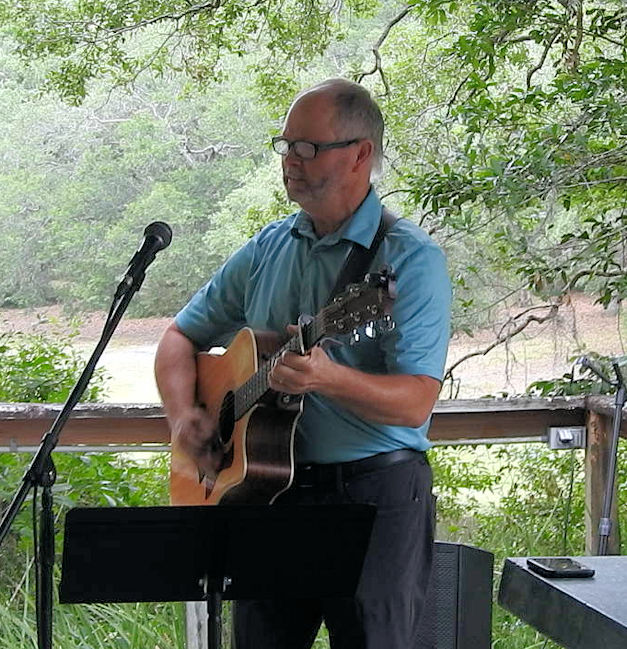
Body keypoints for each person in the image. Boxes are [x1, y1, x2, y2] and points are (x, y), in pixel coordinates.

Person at [155, 78, 451, 649]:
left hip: (374, 497)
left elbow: (416, 402)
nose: (290, 159)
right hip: (265, 494)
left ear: (360, 154)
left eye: (308, 147)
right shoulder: (267, 248)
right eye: (286, 145)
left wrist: (327, 378)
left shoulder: (410, 260)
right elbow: (177, 337)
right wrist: (184, 417)